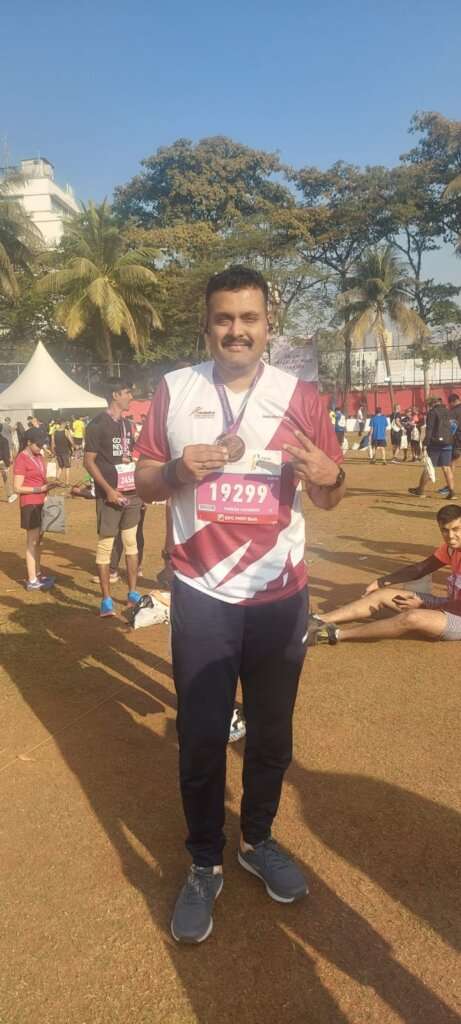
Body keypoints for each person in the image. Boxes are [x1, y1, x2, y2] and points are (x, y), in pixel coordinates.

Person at [135, 265, 345, 944]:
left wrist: (329, 476)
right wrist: (174, 470)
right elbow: (139, 480)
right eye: (223, 318)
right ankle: (203, 861)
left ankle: (255, 840)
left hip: (279, 593)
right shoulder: (173, 389)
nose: (236, 330)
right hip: (201, 592)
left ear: (265, 325)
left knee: (271, 733)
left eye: (248, 319)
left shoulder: (300, 395)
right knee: (199, 737)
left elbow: (330, 490)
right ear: (206, 324)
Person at [308, 504, 461, 645]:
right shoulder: (450, 549)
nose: (450, 536)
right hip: (450, 603)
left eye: (456, 529)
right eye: (445, 530)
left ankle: (334, 634)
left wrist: (425, 605)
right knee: (381, 595)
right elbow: (421, 568)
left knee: (412, 618)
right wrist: (381, 582)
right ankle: (319, 619)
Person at [84, 378, 143, 617]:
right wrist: (108, 490)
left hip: (132, 492)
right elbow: (88, 461)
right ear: (116, 394)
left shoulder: (127, 425)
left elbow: (128, 455)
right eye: (128, 392)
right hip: (109, 495)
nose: (131, 397)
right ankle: (107, 599)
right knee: (106, 545)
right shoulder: (97, 424)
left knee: (131, 543)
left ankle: (132, 593)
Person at [13, 427, 56, 591]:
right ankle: (32, 580)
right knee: (32, 541)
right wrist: (40, 489)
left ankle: (37, 573)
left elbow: (41, 478)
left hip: (41, 501)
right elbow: (17, 487)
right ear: (29, 442)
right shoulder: (21, 459)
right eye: (38, 444)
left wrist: (49, 485)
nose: (41, 447)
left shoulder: (38, 456)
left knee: (39, 540)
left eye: (42, 444)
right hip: (30, 503)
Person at [409, 396, 455, 499]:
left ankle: (420, 490)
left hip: (435, 444)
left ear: (431, 404)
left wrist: (425, 443)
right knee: (446, 467)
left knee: (429, 467)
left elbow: (429, 429)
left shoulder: (432, 412)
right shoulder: (448, 411)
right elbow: (453, 426)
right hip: (448, 442)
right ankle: (452, 492)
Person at [51, 418, 74, 486]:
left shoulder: (54, 432)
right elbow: (71, 441)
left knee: (61, 466)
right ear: (63, 423)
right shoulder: (65, 431)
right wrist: (74, 446)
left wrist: (53, 451)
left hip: (58, 451)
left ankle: (57, 479)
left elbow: (52, 443)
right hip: (65, 451)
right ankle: (67, 482)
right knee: (67, 467)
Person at [0, 424, 17, 502]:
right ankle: (9, 495)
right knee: (6, 479)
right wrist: (7, 464)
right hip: (2, 462)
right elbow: (5, 454)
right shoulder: (4, 440)